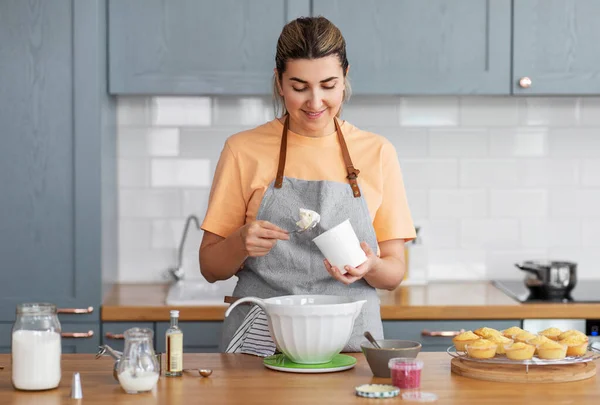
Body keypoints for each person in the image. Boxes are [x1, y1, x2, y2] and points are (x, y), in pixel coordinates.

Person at [199, 16, 416, 354]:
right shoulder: (242, 150)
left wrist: (371, 266)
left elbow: (393, 273)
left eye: (328, 85)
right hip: (262, 344)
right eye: (299, 87)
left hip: (351, 342)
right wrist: (241, 241)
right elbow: (210, 268)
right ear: (280, 83)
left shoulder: (377, 152)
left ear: (345, 77)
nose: (315, 102)